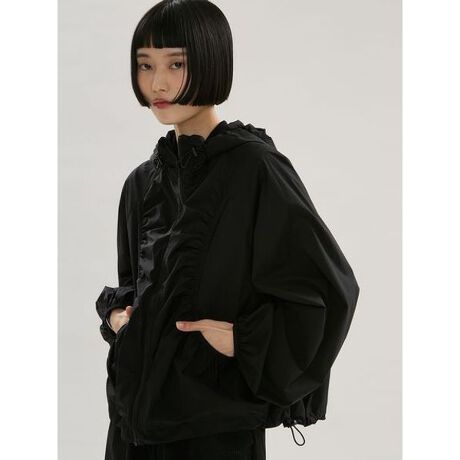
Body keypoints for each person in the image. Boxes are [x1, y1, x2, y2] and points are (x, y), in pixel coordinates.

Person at [95, 1, 360, 459]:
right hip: (131, 429)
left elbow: (328, 290)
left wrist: (247, 341)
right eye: (145, 65)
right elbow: (136, 285)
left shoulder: (255, 169)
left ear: (212, 61)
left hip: (215, 428)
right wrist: (119, 317)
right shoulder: (141, 183)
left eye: (176, 64)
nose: (158, 84)